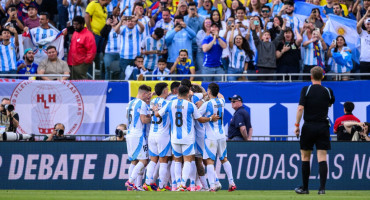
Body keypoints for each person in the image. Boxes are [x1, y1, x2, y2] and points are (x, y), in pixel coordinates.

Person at [153, 85, 218, 191]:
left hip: (174, 138)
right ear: (188, 93)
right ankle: (183, 184)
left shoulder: (170, 103)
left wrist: (155, 109)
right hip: (187, 137)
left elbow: (157, 115)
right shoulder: (190, 105)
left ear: (177, 93)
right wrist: (211, 118)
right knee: (188, 161)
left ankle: (177, 185)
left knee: (177, 161)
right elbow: (200, 119)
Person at [294, 66, 335, 195]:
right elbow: (329, 103)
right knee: (322, 157)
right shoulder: (328, 90)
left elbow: (300, 108)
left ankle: (305, 188)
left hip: (309, 126)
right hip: (323, 126)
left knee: (305, 157)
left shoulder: (306, 90)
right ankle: (322, 189)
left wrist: (296, 125)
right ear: (322, 76)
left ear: (311, 77)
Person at [198, 83, 236, 192]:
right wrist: (214, 91)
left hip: (210, 136)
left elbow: (198, 117)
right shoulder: (222, 102)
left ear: (209, 92)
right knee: (224, 159)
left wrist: (209, 118)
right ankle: (231, 182)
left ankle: (212, 186)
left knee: (209, 161)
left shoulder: (207, 104)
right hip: (221, 135)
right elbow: (222, 96)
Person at [144, 82, 171, 191]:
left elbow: (155, 96)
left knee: (153, 160)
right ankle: (162, 186)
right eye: (167, 90)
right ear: (165, 91)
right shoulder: (167, 103)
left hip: (152, 134)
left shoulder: (152, 102)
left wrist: (155, 92)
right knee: (163, 161)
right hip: (163, 135)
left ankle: (147, 183)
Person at [125, 85, 152, 191]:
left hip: (129, 133)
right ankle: (131, 182)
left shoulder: (130, 103)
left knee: (134, 161)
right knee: (144, 160)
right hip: (138, 134)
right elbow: (144, 120)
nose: (148, 97)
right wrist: (152, 116)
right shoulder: (142, 103)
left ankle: (132, 186)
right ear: (144, 94)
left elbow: (127, 118)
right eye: (148, 95)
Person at [115, 15, 144, 79]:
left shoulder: (137, 28)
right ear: (126, 22)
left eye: (132, 21)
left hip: (136, 57)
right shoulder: (123, 28)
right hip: (125, 57)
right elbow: (116, 30)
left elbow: (143, 28)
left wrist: (137, 20)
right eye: (128, 21)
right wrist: (121, 21)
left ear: (135, 22)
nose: (130, 22)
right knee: (124, 75)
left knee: (135, 75)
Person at [85, 0, 109, 79]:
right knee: (91, 56)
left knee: (97, 57)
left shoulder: (105, 8)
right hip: (93, 35)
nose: (109, 2)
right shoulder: (93, 4)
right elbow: (87, 15)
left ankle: (94, 76)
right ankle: (89, 76)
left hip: (101, 35)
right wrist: (89, 30)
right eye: (109, 0)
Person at [67, 16, 97, 80]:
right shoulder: (75, 32)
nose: (74, 26)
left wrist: (85, 62)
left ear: (82, 24)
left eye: (76, 24)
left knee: (82, 83)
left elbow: (92, 51)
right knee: (72, 83)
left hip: (81, 64)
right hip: (71, 62)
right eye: (73, 24)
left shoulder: (88, 35)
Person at [100, 8, 121, 80]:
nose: (113, 20)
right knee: (107, 69)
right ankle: (107, 84)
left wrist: (118, 23)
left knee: (120, 70)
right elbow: (102, 34)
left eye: (115, 19)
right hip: (109, 52)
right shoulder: (108, 28)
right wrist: (106, 24)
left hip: (120, 52)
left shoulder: (121, 27)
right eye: (111, 19)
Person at [357, 13, 370, 79]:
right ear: (365, 25)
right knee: (364, 82)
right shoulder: (363, 33)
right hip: (364, 61)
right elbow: (358, 26)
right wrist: (366, 14)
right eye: (368, 24)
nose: (369, 26)